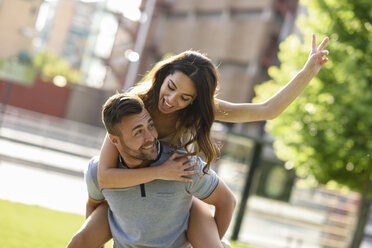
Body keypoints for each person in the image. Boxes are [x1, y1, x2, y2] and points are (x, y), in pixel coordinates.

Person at [69, 34, 329, 247]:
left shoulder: (199, 111)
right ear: (164, 74)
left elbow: (267, 110)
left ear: (195, 101)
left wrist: (308, 70)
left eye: (185, 97)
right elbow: (105, 176)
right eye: (171, 87)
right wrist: (159, 171)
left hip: (179, 195)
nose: (172, 100)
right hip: (132, 193)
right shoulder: (136, 105)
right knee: (80, 240)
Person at [68, 94, 236, 248]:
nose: (150, 137)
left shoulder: (181, 165)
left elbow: (227, 201)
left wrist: (210, 242)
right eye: (138, 132)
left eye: (150, 125)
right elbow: (93, 205)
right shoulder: (98, 172)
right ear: (114, 140)